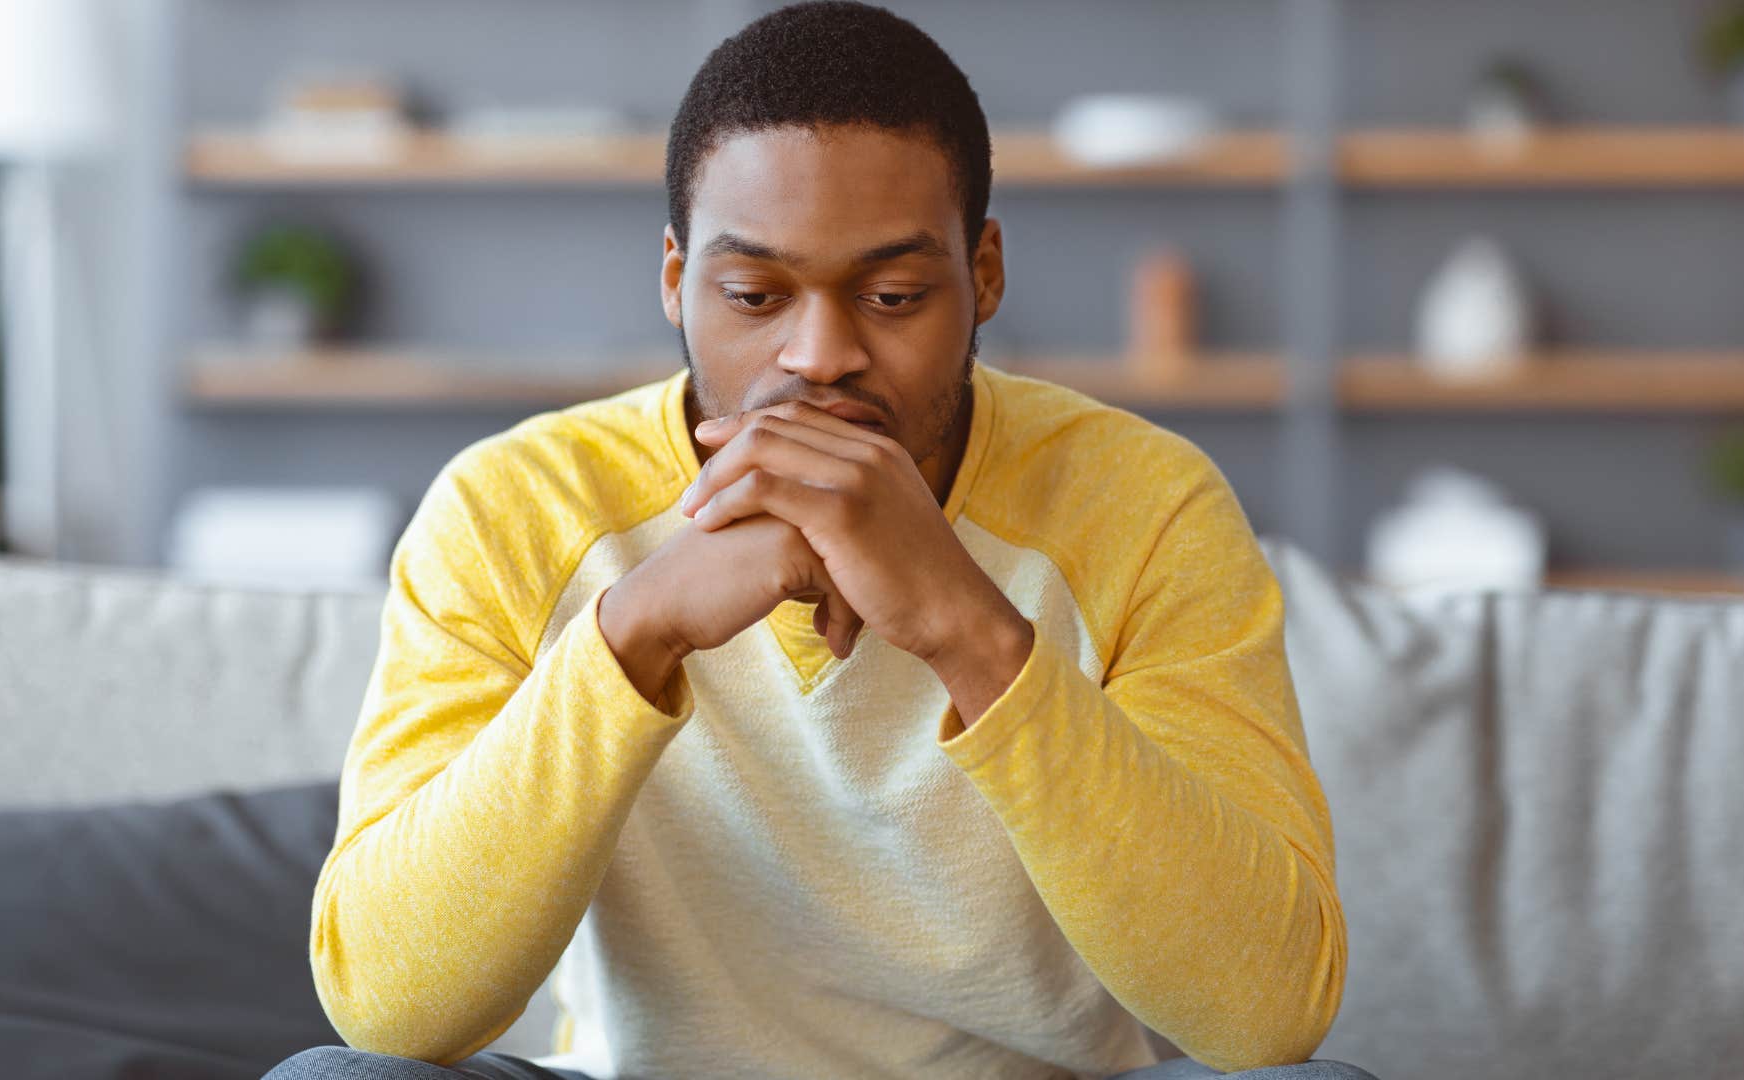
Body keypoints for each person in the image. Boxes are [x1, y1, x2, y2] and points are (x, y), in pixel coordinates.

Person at [267, 3, 1380, 1079]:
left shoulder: (1148, 505)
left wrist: (968, 630)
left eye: (892, 296)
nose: (820, 355)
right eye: (755, 295)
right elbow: (391, 1006)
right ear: (676, 282)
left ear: (984, 274)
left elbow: (1268, 1016)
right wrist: (633, 633)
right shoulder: (514, 507)